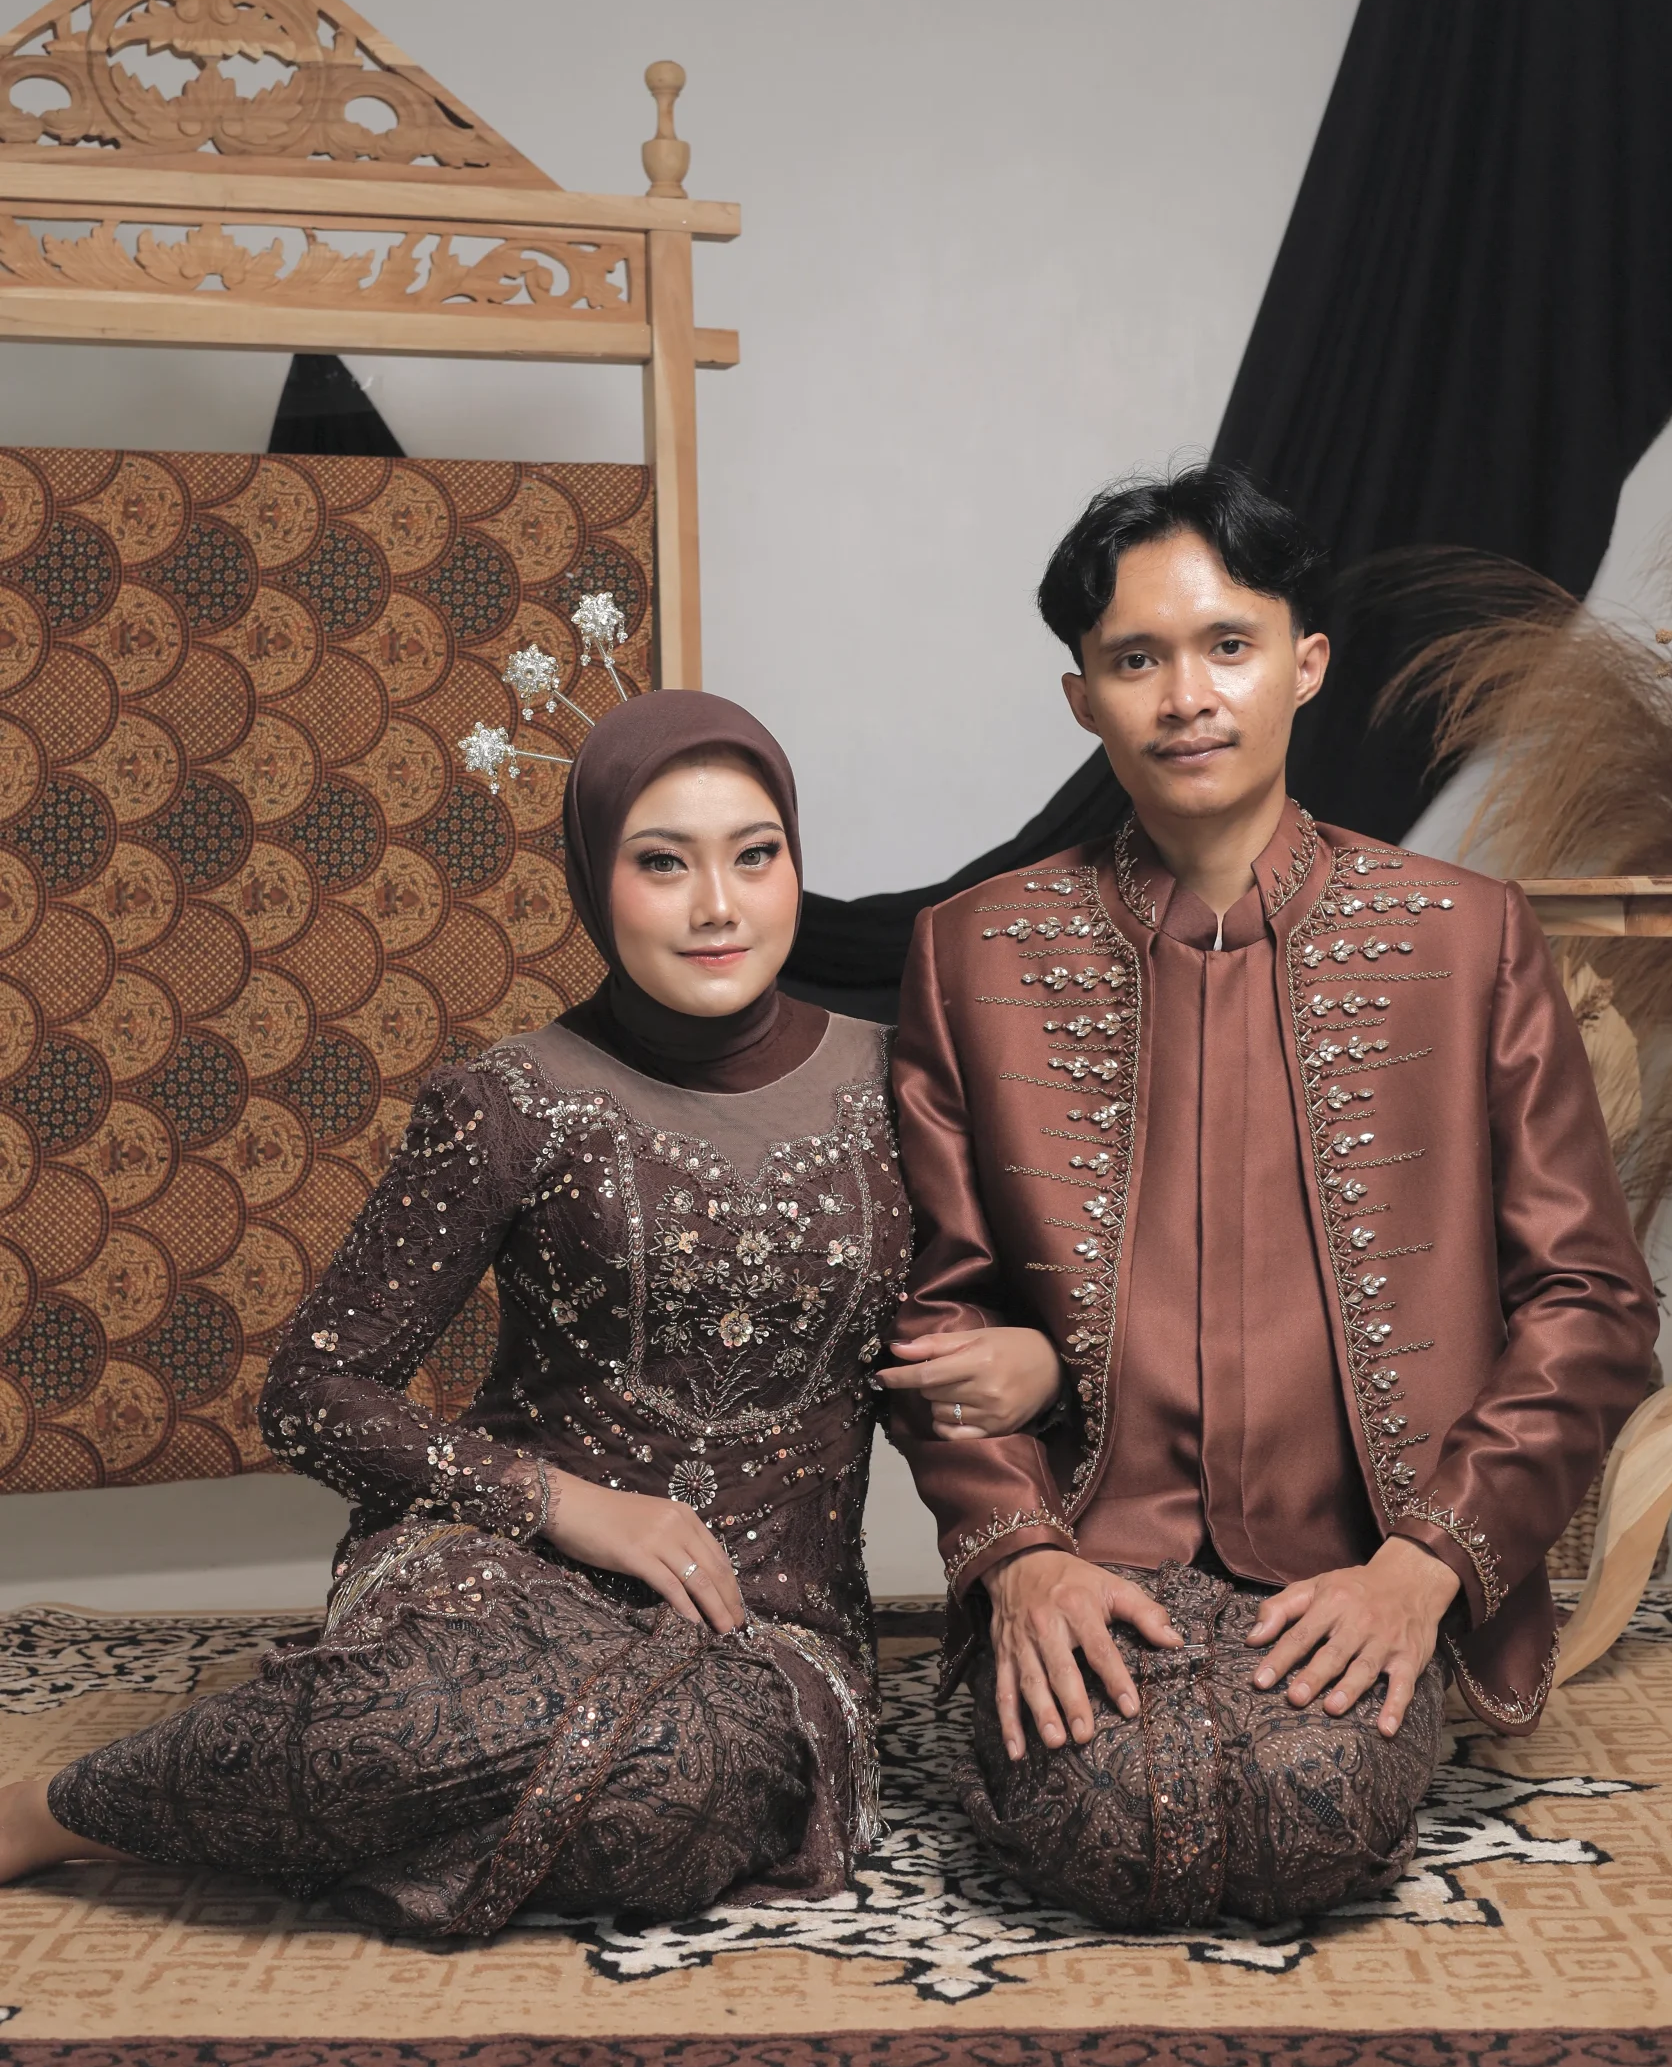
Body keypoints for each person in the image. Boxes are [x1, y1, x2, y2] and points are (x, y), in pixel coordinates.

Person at [0, 691, 1058, 1931]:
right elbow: (312, 1392)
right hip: (505, 1570)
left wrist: (1039, 1357)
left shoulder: (902, 1086)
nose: (718, 905)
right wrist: (566, 1506)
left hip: (765, 1621)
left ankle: (326, 1771)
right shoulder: (508, 1100)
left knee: (679, 1793)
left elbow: (1003, 1318)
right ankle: (55, 1810)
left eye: (754, 855)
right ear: (593, 881)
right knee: (418, 1711)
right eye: (662, 863)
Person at [880, 465, 1657, 1933]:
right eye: (1135, 660)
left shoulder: (1467, 939)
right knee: (1111, 1826)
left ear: (1305, 663)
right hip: (1093, 1553)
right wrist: (1021, 1560)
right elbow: (939, 1313)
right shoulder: (972, 953)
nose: (1186, 696)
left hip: (1359, 1560)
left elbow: (1593, 1302)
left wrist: (1425, 1566)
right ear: (1081, 701)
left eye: (1226, 645)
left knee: (1303, 1815)